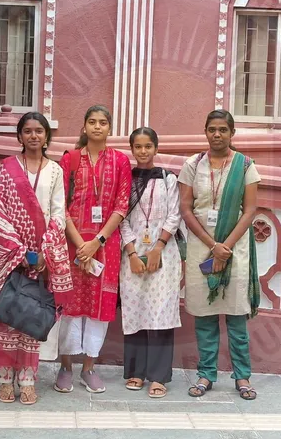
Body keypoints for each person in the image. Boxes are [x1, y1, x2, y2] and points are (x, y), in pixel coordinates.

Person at [0, 112, 74, 406]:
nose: (34, 136)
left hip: (43, 256)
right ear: (19, 136)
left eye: (39, 131)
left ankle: (28, 378)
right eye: (28, 131)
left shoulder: (56, 171)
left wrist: (45, 252)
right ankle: (6, 378)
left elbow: (59, 213)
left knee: (32, 314)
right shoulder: (7, 169)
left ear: (47, 136)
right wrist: (19, 253)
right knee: (9, 312)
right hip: (11, 255)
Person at [180, 110, 261, 401]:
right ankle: (206, 374)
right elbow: (186, 209)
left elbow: (250, 210)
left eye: (223, 129)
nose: (217, 134)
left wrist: (225, 245)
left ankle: (243, 376)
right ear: (205, 132)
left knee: (237, 317)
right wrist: (211, 245)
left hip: (234, 248)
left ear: (232, 133)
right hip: (202, 245)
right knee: (204, 316)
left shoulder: (245, 165)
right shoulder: (192, 164)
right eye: (212, 129)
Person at [55, 105, 133, 394]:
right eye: (92, 122)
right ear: (84, 126)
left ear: (109, 128)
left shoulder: (121, 161)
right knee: (69, 305)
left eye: (103, 123)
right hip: (72, 243)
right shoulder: (70, 159)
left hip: (105, 245)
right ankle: (65, 366)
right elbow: (59, 205)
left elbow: (121, 205)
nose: (97, 127)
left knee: (99, 307)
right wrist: (79, 244)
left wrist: (96, 242)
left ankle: (89, 367)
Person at [120, 127, 183, 399]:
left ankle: (158, 376)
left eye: (148, 146)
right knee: (134, 310)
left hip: (164, 254)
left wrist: (157, 248)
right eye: (138, 146)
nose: (143, 151)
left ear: (156, 148)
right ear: (132, 149)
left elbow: (175, 215)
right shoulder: (125, 180)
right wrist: (133, 253)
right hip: (132, 253)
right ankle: (136, 371)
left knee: (161, 312)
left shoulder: (168, 179)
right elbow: (119, 217)